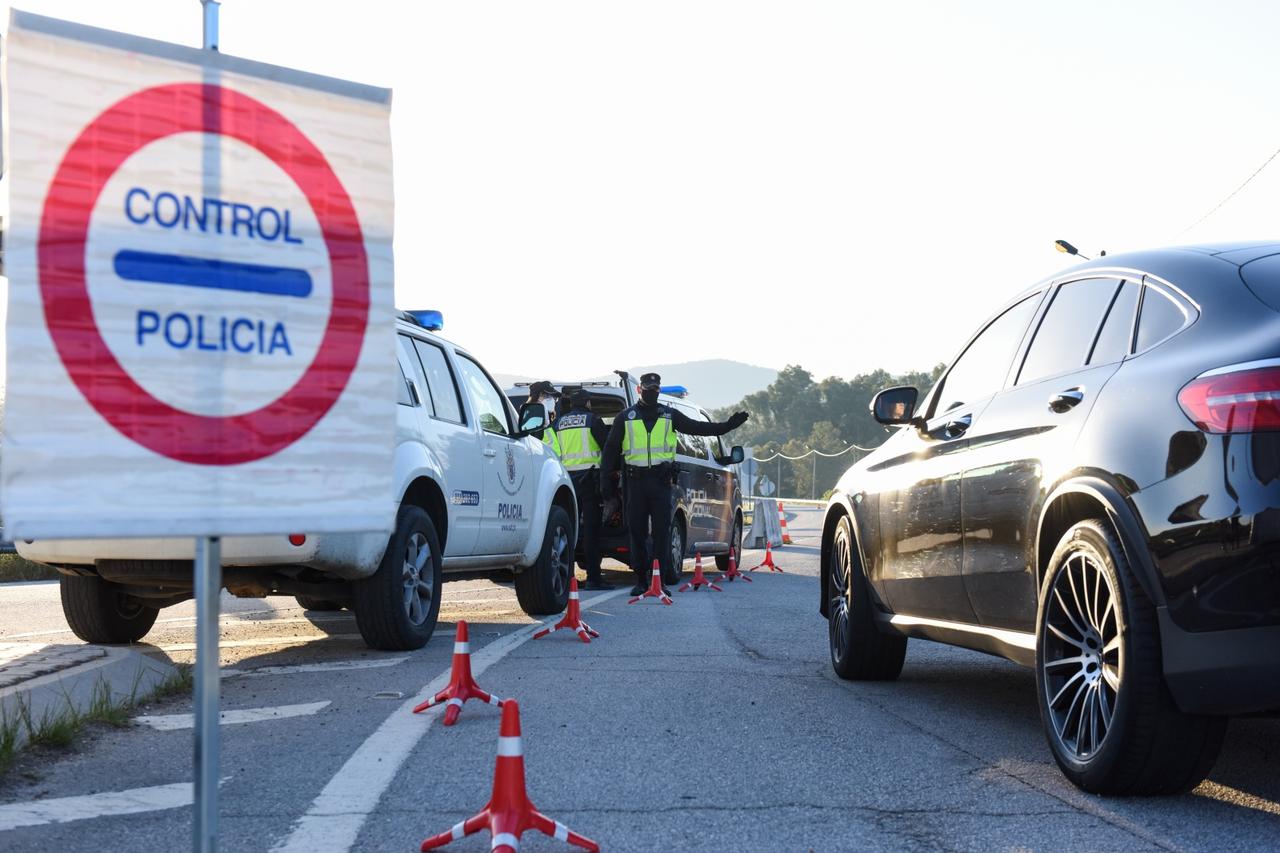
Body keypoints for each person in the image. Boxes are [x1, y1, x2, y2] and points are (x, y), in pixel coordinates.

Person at [601, 373, 749, 596]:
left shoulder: (669, 416)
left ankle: (657, 583)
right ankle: (641, 580)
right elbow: (610, 451)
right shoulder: (626, 417)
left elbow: (698, 428)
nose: (652, 391)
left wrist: (727, 426)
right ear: (640, 390)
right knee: (637, 533)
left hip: (661, 483)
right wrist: (606, 486)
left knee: (662, 534)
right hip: (636, 483)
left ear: (658, 390)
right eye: (648, 388)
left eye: (655, 389)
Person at [553, 387, 615, 590]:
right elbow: (608, 448)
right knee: (591, 531)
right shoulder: (592, 420)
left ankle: (569, 577)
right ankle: (594, 578)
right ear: (587, 403)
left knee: (569, 530)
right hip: (589, 481)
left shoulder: (559, 423)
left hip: (566, 482)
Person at [526, 380, 562, 457]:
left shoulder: (547, 423)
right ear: (537, 397)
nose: (552, 400)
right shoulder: (531, 423)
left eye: (554, 397)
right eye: (547, 396)